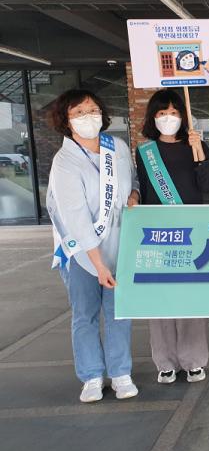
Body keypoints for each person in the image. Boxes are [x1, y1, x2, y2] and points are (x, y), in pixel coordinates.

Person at [46, 89, 140, 403]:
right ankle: (91, 376)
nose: (88, 117)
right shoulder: (64, 161)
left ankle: (121, 372)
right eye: (79, 112)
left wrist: (134, 195)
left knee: (118, 312)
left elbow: (133, 181)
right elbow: (74, 216)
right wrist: (98, 265)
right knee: (84, 314)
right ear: (66, 120)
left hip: (119, 245)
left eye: (92, 109)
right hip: (81, 253)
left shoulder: (118, 148)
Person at [135, 89, 209, 384]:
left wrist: (200, 154)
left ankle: (193, 359)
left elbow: (207, 186)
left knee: (190, 296)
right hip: (156, 233)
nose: (168, 118)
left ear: (183, 116)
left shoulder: (196, 145)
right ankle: (165, 360)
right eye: (161, 113)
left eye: (173, 112)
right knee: (160, 297)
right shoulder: (146, 152)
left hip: (192, 230)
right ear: (153, 117)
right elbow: (143, 191)